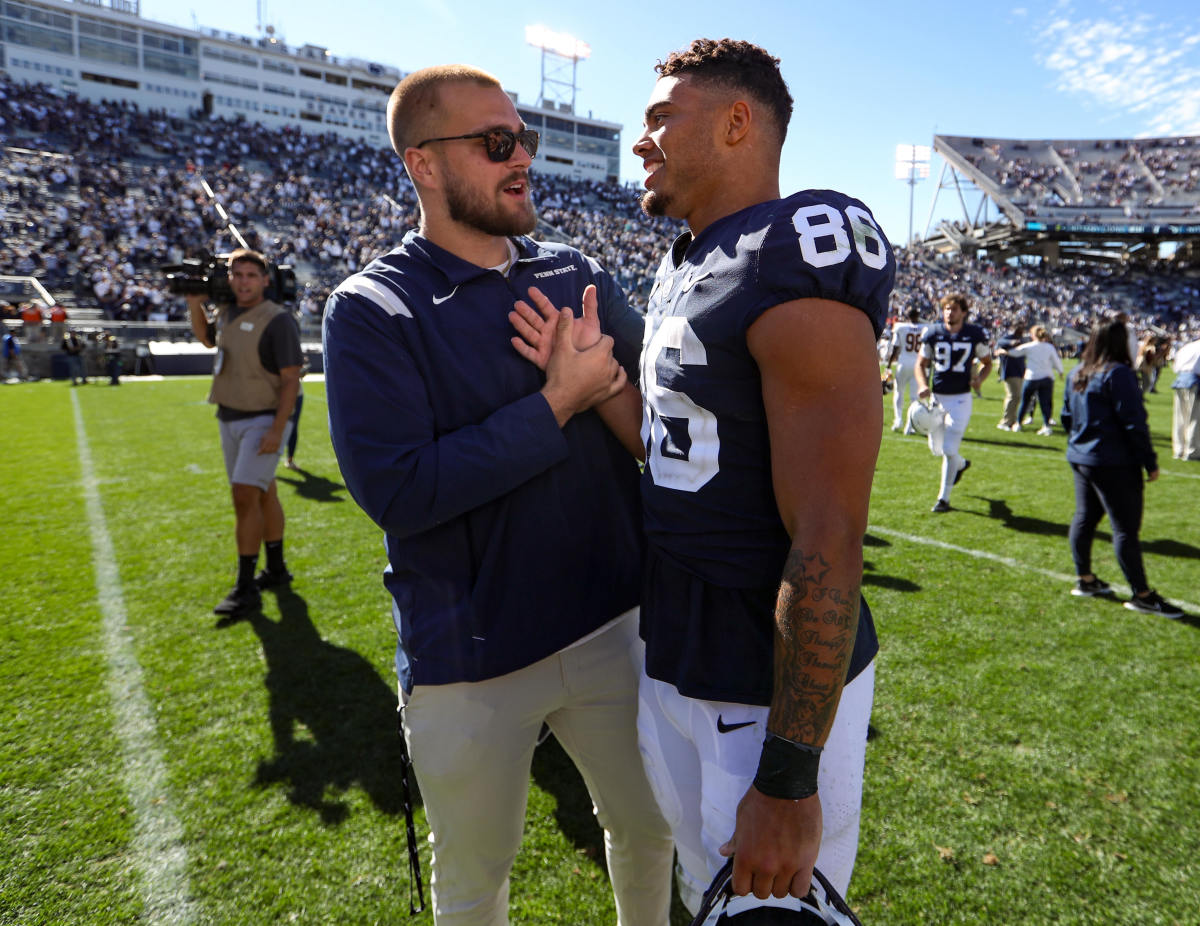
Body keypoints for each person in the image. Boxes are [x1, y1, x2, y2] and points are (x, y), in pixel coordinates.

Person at [516, 39, 888, 915]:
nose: (642, 143)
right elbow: (682, 458)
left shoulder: (793, 251)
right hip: (675, 652)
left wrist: (791, 776)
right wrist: (602, 381)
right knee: (698, 889)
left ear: (734, 122)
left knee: (769, 910)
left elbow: (829, 532)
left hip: (761, 685)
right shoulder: (687, 260)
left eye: (658, 119)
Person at [322, 65, 673, 926]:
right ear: (424, 165)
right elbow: (403, 490)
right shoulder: (372, 308)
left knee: (650, 830)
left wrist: (602, 388)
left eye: (523, 139)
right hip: (469, 657)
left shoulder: (576, 270)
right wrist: (559, 400)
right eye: (495, 143)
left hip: (612, 623)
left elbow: (659, 441)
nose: (521, 160)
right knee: (474, 884)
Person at [187, 249, 302, 617]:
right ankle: (277, 569)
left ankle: (245, 586)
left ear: (265, 280)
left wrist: (277, 429)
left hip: (263, 420)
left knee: (243, 497)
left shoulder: (278, 320)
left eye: (251, 275)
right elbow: (208, 341)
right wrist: (195, 305)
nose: (243, 281)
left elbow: (290, 381)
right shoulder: (226, 312)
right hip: (230, 416)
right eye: (237, 274)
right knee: (264, 492)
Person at [1061, 320, 1183, 618]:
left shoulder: (1077, 371)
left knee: (1085, 517)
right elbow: (1134, 424)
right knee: (1125, 528)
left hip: (1082, 457)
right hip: (1112, 462)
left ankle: (1085, 578)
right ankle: (1142, 594)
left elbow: (1067, 416)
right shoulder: (1118, 374)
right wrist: (1150, 462)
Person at [915, 293, 992, 512]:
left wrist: (980, 380)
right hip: (937, 397)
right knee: (936, 449)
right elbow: (921, 364)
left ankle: (944, 499)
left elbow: (987, 362)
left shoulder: (974, 334)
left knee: (949, 447)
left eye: (955, 309)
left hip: (960, 398)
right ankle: (960, 464)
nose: (950, 312)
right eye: (947, 308)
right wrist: (922, 385)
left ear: (964, 312)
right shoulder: (933, 333)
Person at [1002, 324, 1063, 435]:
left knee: (1025, 402)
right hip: (1047, 377)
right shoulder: (1049, 347)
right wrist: (1060, 372)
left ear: (1033, 335)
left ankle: (1018, 424)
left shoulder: (1029, 346)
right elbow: (1056, 361)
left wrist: (1004, 352)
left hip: (1032, 377)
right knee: (1045, 403)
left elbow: (1015, 353)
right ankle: (1046, 426)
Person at [886, 307, 925, 433]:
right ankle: (909, 425)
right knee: (914, 397)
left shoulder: (901, 327)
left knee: (899, 392)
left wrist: (889, 365)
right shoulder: (924, 328)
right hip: (917, 364)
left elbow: (896, 348)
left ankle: (898, 420)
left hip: (903, 363)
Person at [1171, 333, 1200, 461]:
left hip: (1180, 380)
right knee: (1194, 418)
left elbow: (1175, 366)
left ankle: (1179, 449)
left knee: (1180, 417)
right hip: (1195, 381)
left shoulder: (1187, 347)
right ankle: (1192, 450)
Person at [994, 321, 1027, 430]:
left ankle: (1012, 420)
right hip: (1010, 371)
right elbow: (1000, 343)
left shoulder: (1021, 339)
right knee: (1013, 396)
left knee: (1017, 397)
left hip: (1019, 371)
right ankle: (1005, 421)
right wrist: (1012, 342)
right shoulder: (1008, 338)